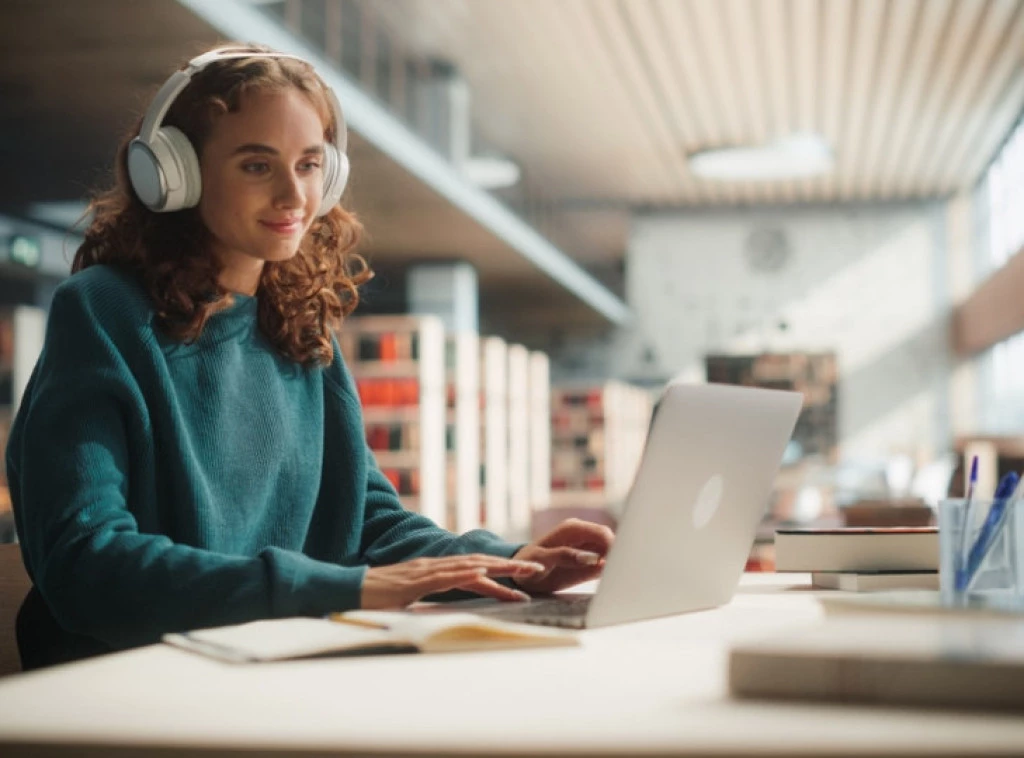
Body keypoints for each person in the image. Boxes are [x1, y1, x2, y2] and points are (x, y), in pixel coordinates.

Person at [7, 44, 614, 670]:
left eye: (308, 165)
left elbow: (368, 524)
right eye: (255, 166)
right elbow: (86, 559)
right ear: (173, 174)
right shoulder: (103, 311)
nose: (293, 194)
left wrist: (510, 564)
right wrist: (337, 588)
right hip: (126, 682)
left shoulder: (297, 327)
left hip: (262, 666)